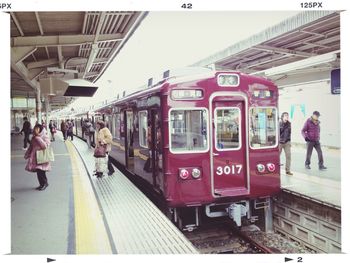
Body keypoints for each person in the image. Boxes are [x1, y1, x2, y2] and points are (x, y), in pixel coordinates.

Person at [24, 123, 51, 191]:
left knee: (41, 172)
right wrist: (27, 154)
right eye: (35, 128)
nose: (35, 130)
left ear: (40, 130)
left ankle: (44, 184)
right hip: (35, 158)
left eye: (37, 129)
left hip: (42, 157)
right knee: (38, 172)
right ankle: (42, 184)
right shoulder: (34, 137)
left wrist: (38, 138)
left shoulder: (44, 136)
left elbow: (45, 146)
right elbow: (31, 147)